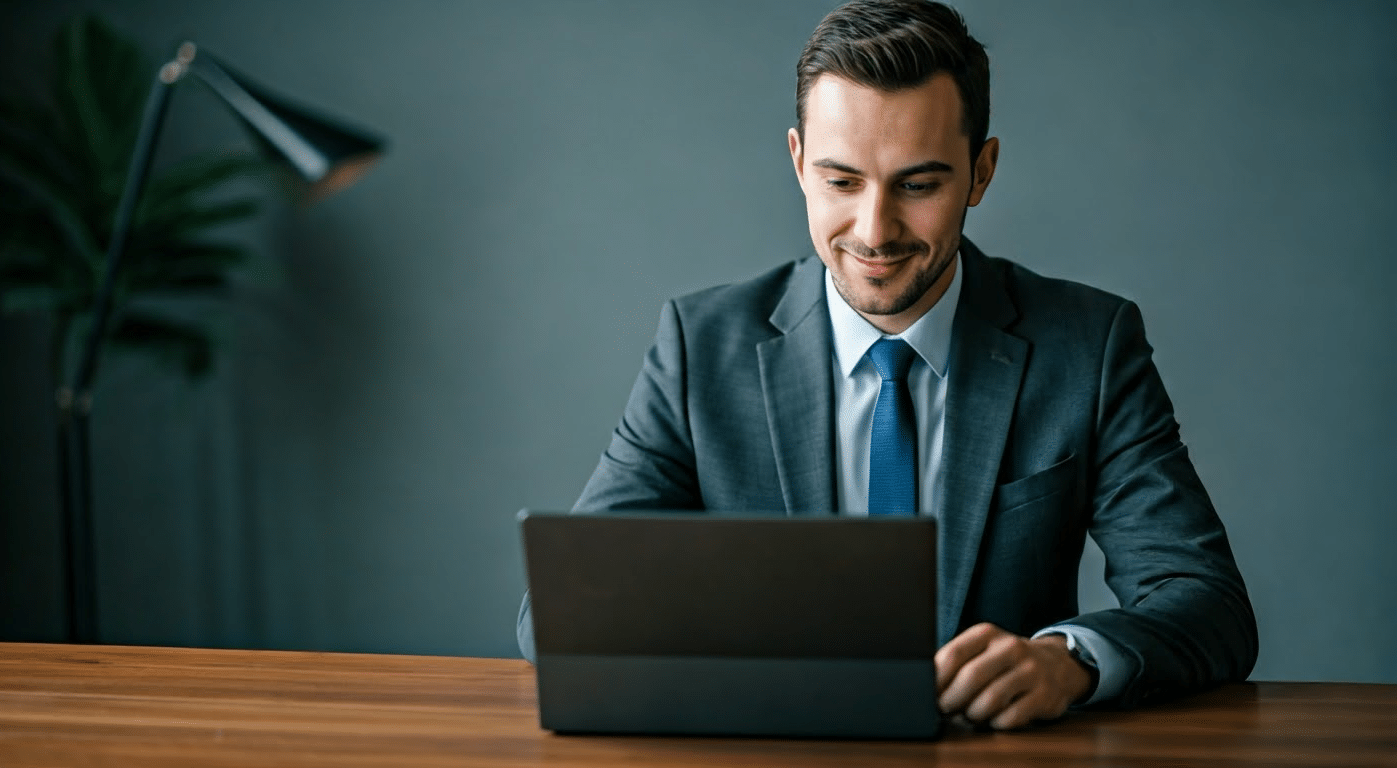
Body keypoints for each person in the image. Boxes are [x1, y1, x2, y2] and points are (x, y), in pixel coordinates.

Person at [517, 0, 1257, 730]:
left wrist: (1071, 659)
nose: (875, 231)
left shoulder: (1090, 346)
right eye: (842, 182)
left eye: (918, 184)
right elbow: (557, 619)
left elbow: (1205, 600)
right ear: (799, 163)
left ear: (982, 171)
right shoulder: (699, 347)